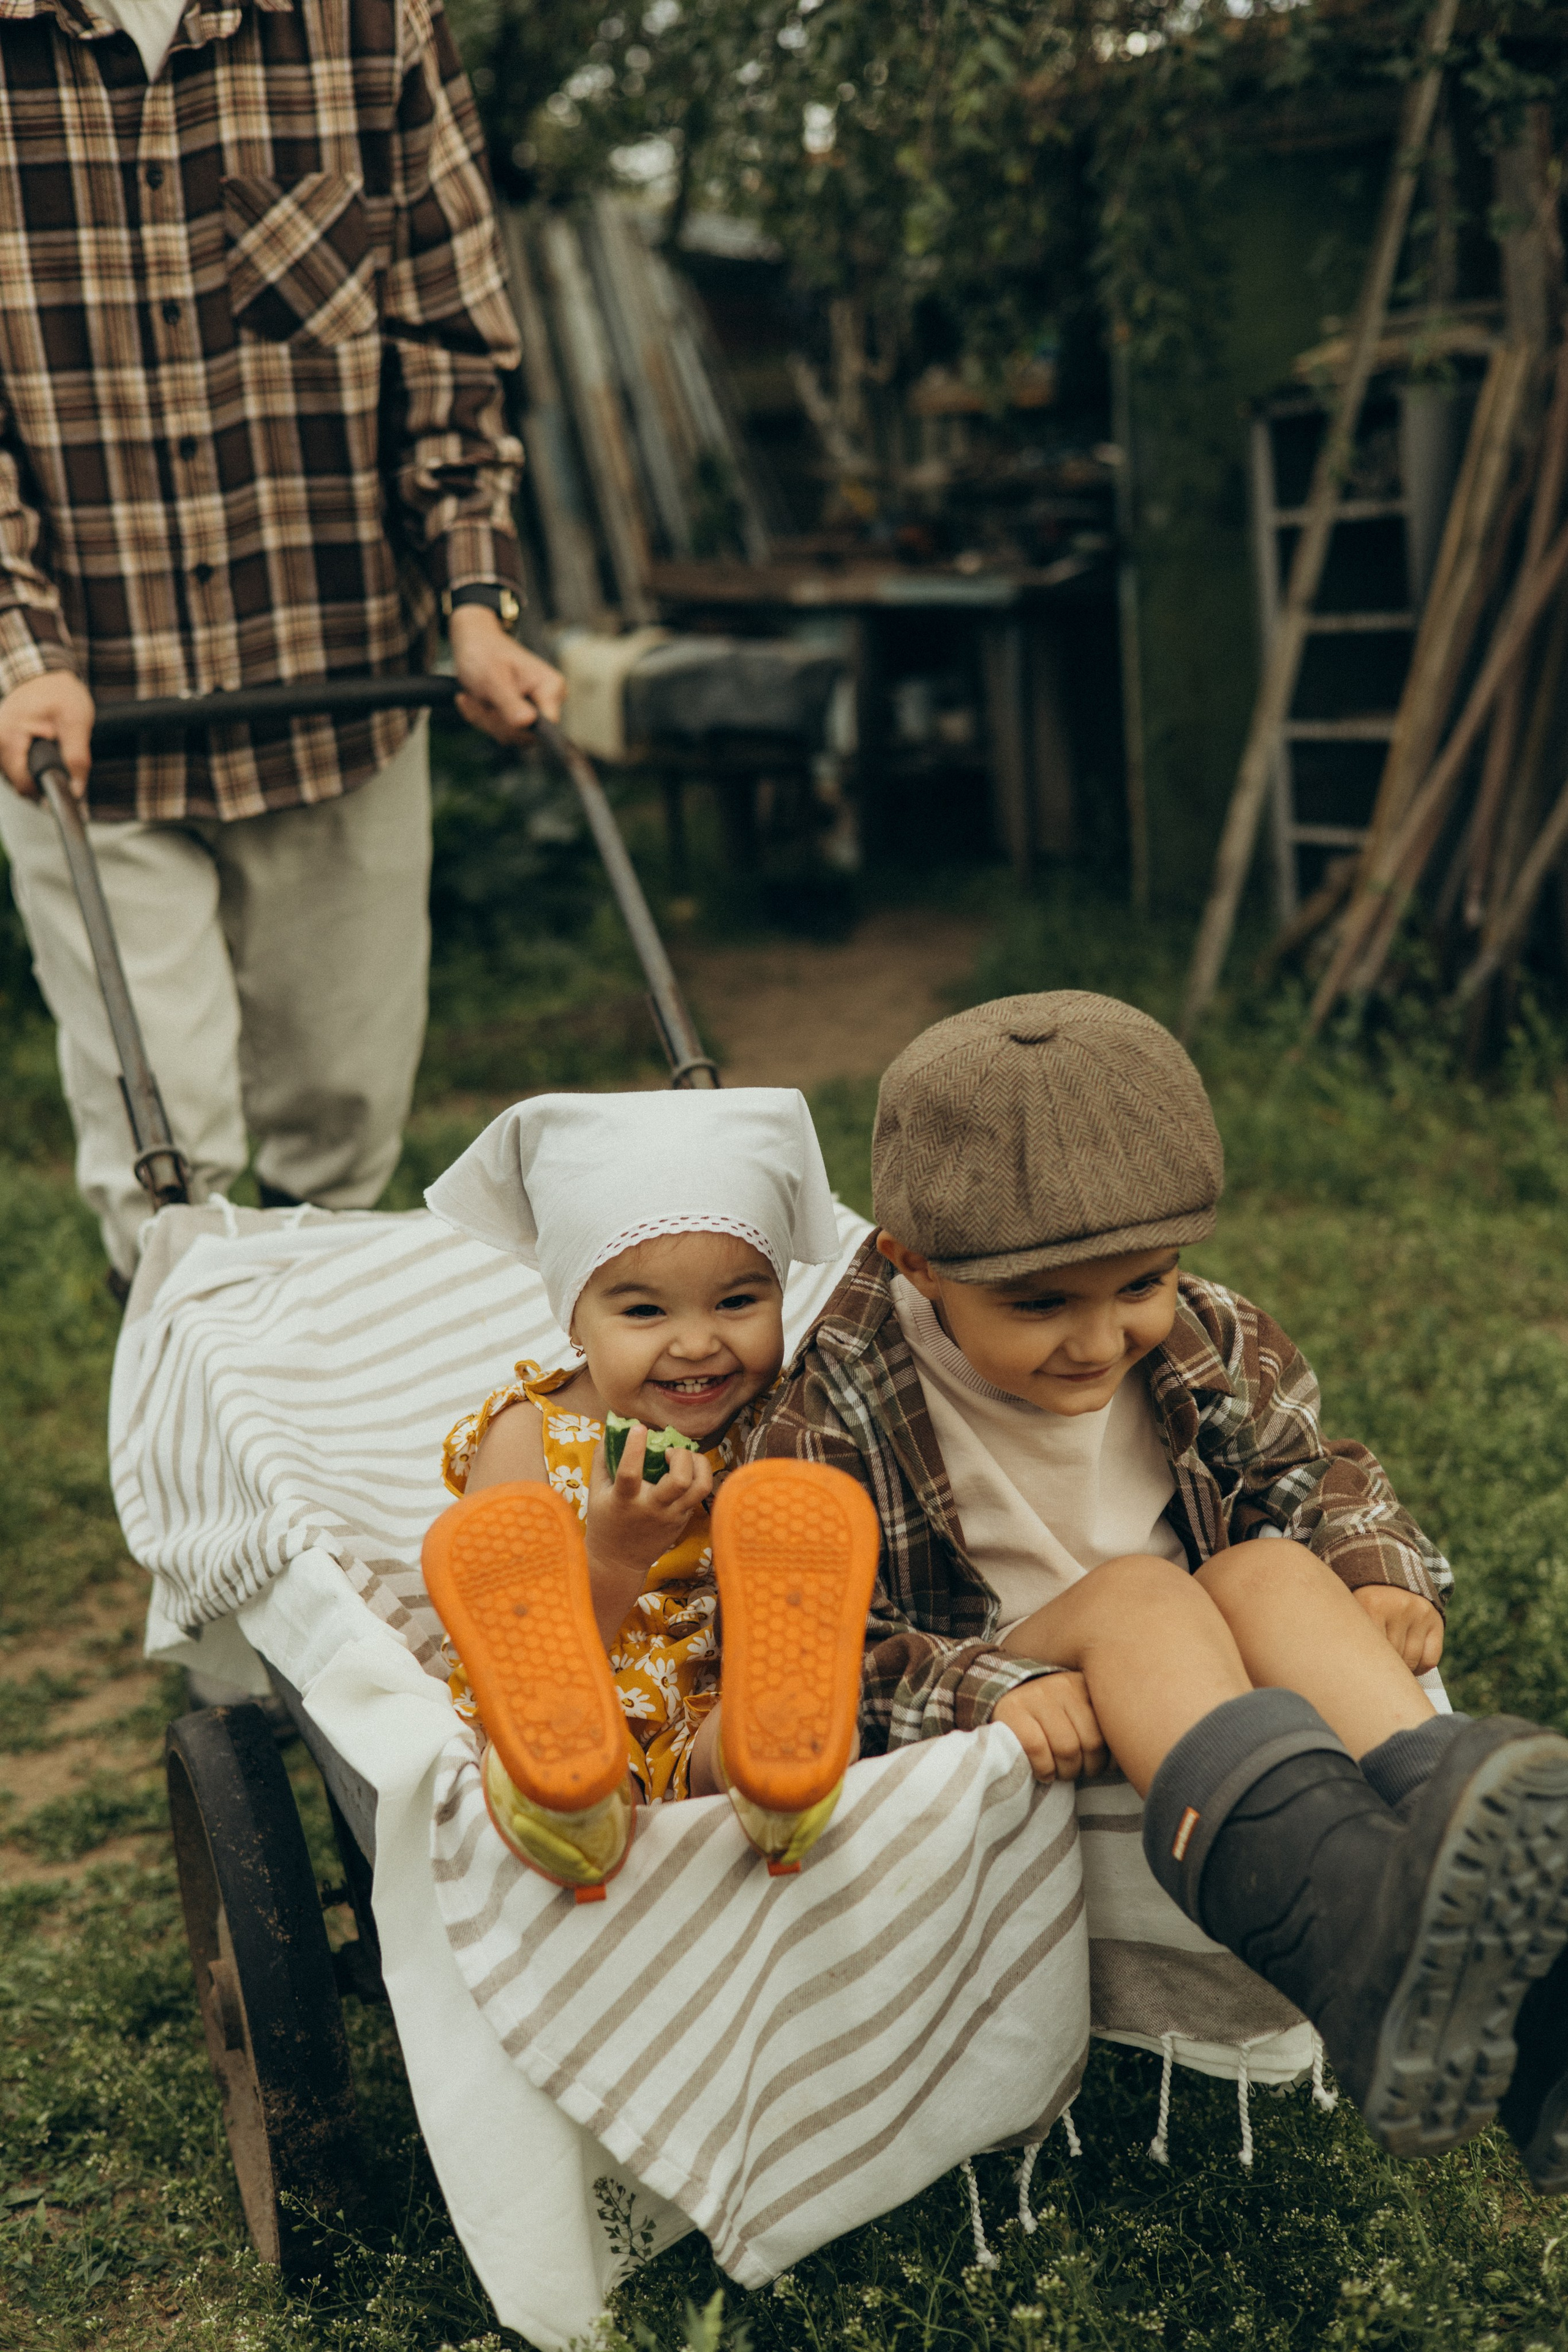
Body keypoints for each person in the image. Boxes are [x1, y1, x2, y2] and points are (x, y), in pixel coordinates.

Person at [736, 990, 1568, 2184]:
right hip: (1023, 1657)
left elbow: (1303, 1474)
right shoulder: (831, 1397)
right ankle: (1346, 1935)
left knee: (1272, 1566)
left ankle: (1524, 1997)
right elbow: (812, 1638)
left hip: (1200, 1675)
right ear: (908, 1260)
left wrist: (1363, 1564)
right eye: (1038, 1305)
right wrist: (982, 1688)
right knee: (1139, 1591)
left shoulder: (1203, 1336)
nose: (1097, 1335)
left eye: (1140, 1283)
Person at [0, 0, 565, 1286]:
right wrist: (19, 649)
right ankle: (197, 1462)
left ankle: (339, 1449)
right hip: (83, 730)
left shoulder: (371, 25)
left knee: (343, 1136)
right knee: (166, 1169)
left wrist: (475, 601)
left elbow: (447, 354)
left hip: (339, 694)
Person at [418, 1088, 877, 1894]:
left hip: (731, 1679)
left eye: (739, 1302)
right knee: (578, 1752)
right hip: (576, 1691)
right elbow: (507, 1636)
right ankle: (575, 1805)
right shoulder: (529, 1438)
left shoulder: (784, 1423)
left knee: (754, 1725)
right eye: (643, 1310)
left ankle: (773, 1779)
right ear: (574, 1320)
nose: (699, 1342)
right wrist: (613, 1551)